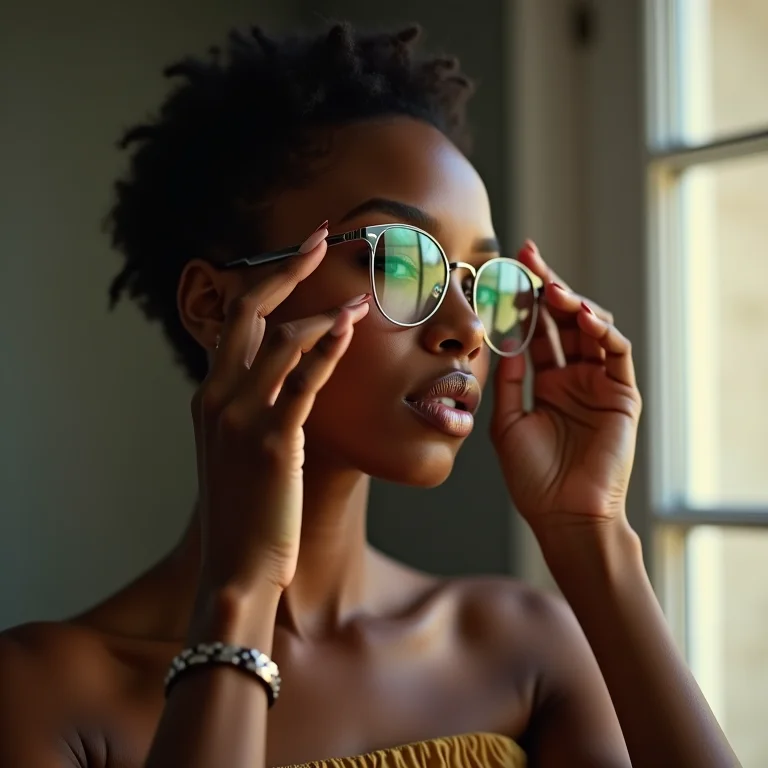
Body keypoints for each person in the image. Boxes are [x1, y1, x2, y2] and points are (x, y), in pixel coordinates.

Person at [0, 22, 740, 768]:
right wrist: (242, 592)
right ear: (215, 306)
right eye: (397, 261)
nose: (465, 330)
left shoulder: (524, 645)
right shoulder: (42, 693)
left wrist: (593, 535)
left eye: (479, 281)